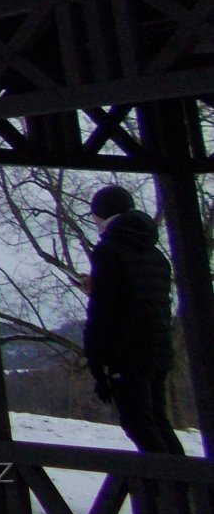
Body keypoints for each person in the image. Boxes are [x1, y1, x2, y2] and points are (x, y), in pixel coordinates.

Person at [82, 183, 185, 459]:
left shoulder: (109, 252)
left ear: (102, 215)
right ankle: (189, 489)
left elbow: (102, 312)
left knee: (138, 423)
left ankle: (172, 492)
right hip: (159, 351)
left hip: (127, 356)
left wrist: (96, 363)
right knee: (157, 421)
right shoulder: (155, 254)